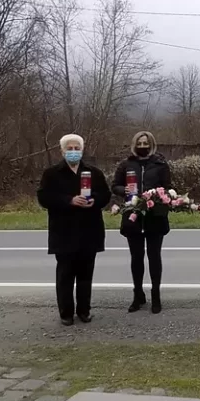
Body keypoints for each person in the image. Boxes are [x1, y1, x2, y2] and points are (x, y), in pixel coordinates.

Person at [37, 134, 111, 326]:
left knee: (86, 275)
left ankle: (84, 310)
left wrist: (95, 199)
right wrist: (69, 200)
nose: (73, 152)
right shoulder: (51, 173)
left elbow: (105, 194)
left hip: (89, 230)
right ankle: (66, 312)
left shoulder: (93, 172)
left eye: (76, 148)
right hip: (64, 232)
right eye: (69, 149)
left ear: (82, 150)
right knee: (65, 275)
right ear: (62, 151)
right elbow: (44, 198)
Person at [112, 131, 172, 314]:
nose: (143, 146)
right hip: (133, 216)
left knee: (154, 257)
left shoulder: (160, 164)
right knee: (136, 258)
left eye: (146, 143)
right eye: (140, 143)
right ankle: (138, 294)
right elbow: (115, 185)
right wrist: (125, 190)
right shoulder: (126, 164)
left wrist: (158, 196)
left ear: (151, 144)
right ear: (134, 144)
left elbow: (168, 188)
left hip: (155, 217)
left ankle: (156, 295)